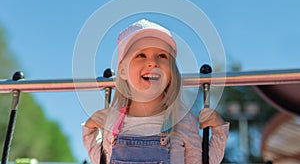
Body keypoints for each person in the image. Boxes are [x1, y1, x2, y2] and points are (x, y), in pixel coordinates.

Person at [82, 19, 229, 163]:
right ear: (122, 70)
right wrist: (90, 128)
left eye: (162, 56)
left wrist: (218, 131)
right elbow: (102, 159)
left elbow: (200, 161)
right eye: (141, 55)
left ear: (171, 72)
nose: (152, 62)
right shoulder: (113, 121)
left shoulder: (182, 120)